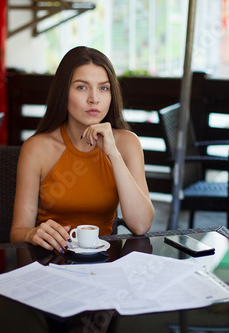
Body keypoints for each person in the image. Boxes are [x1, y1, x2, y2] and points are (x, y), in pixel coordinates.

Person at [10, 46, 154, 252]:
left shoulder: (127, 144)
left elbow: (141, 225)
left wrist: (113, 153)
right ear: (63, 92)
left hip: (105, 263)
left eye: (103, 88)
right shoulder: (36, 148)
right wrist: (31, 234)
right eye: (81, 87)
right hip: (52, 261)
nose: (94, 98)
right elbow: (17, 232)